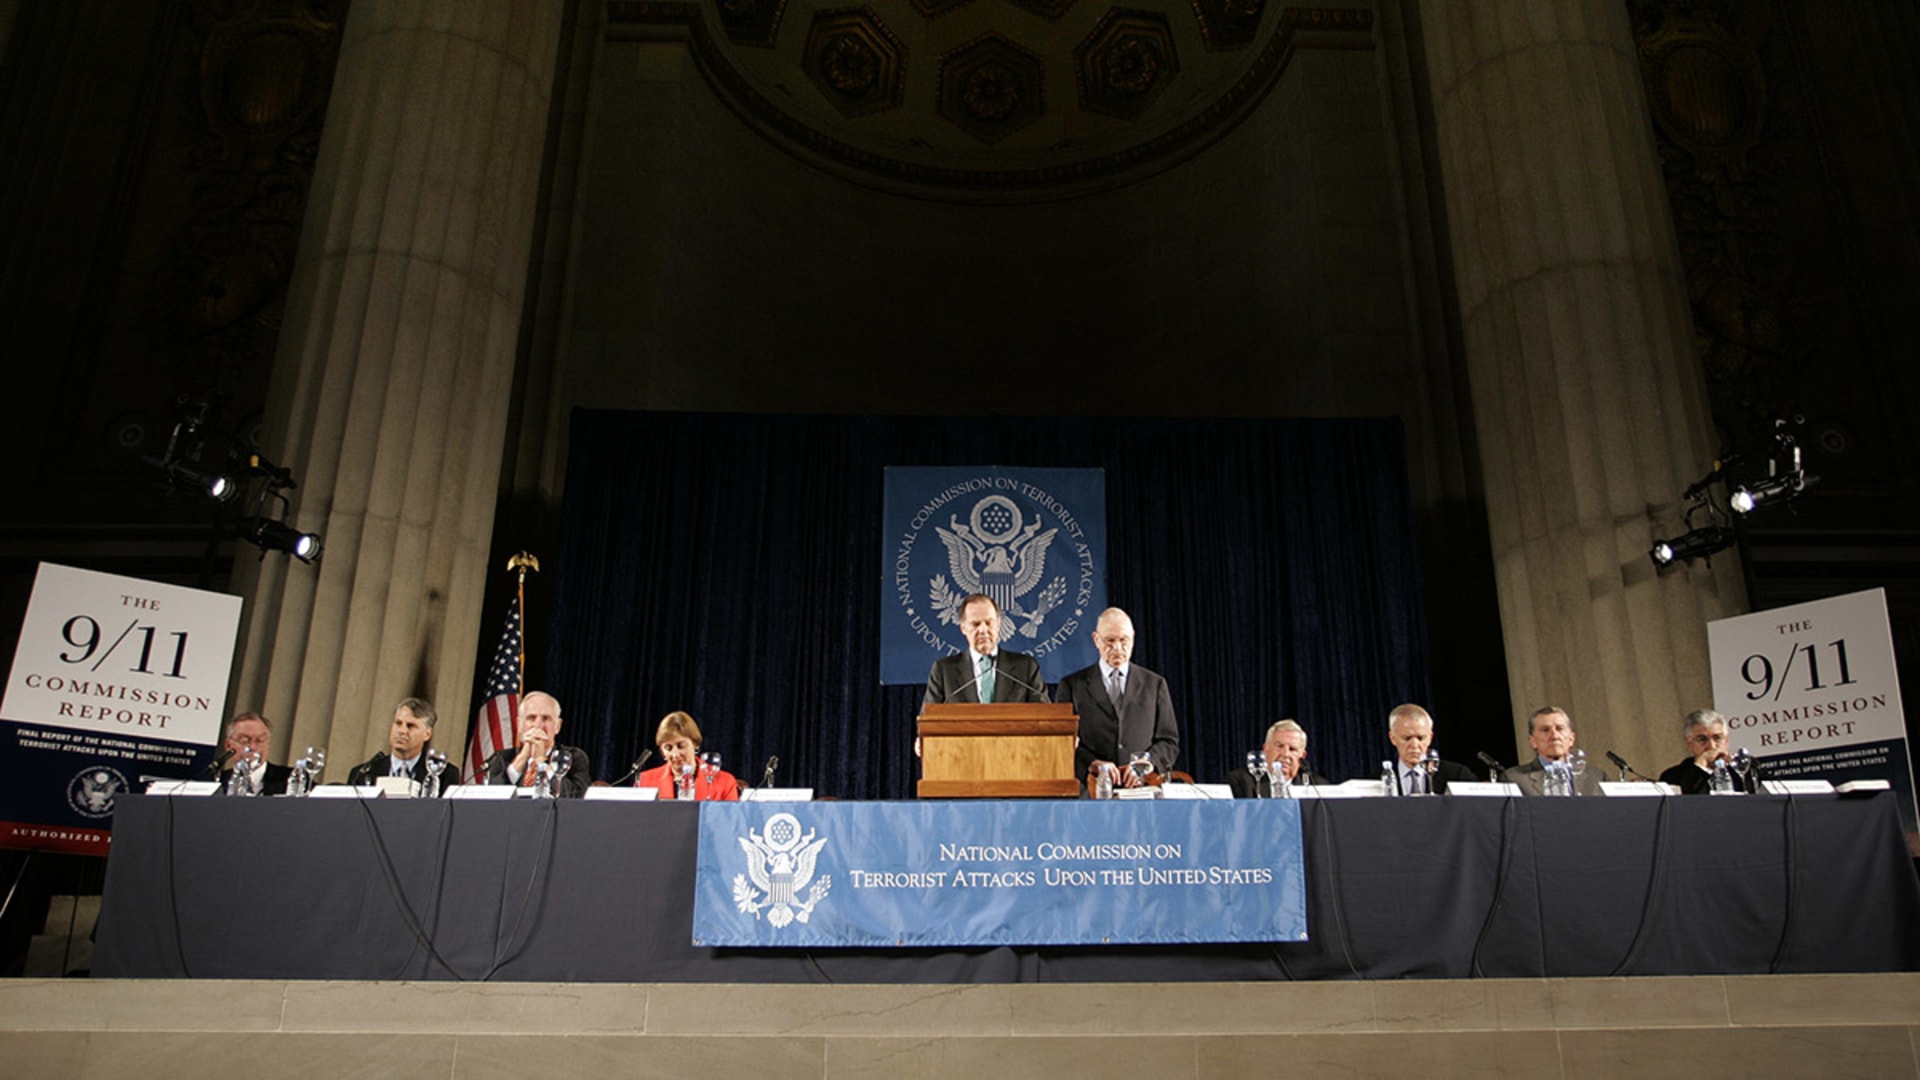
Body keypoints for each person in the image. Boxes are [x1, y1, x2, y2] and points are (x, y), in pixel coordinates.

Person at [1056, 607, 1178, 790]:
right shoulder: (1072, 686)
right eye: (1110, 641)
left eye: (1124, 641)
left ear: (1133, 638)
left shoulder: (1155, 684)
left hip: (1142, 789)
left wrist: (1146, 763)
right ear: (1096, 640)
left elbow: (1168, 742)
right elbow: (1062, 741)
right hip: (1091, 790)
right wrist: (1092, 763)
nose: (1118, 649)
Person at [922, 594, 1050, 706]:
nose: (983, 630)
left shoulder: (1026, 668)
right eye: (975, 624)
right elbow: (928, 720)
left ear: (999, 625)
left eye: (989, 623)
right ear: (963, 628)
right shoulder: (944, 671)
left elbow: (1045, 717)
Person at [483, 691, 592, 797]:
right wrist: (523, 757)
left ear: (557, 726)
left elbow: (576, 796)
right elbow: (491, 797)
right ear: (519, 725)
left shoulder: (573, 758)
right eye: (531, 718)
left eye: (545, 718)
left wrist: (541, 761)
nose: (538, 725)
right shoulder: (501, 758)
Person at [346, 697, 457, 793]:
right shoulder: (363, 773)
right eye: (398, 723)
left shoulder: (444, 775)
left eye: (410, 726)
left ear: (427, 734)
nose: (402, 731)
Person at [635, 710, 740, 800]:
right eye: (668, 748)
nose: (675, 754)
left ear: (695, 744)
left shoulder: (725, 782)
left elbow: (732, 821)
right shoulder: (645, 781)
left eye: (681, 746)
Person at [1506, 705, 1604, 796]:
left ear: (1571, 739)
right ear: (1533, 741)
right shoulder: (1515, 779)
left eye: (1560, 728)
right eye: (1545, 730)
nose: (1554, 736)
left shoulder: (1597, 777)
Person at [1385, 703, 1479, 795]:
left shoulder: (1457, 776)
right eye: (1407, 738)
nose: (1414, 745)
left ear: (1430, 738)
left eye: (1421, 738)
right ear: (1393, 738)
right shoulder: (1376, 780)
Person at [1226, 719, 1326, 797]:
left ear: (1302, 756)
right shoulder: (1241, 783)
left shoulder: (1318, 787)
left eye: (1292, 749)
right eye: (1279, 746)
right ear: (1265, 749)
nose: (1285, 754)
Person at [1658, 708, 1736, 795]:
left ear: (1726, 740)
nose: (1711, 746)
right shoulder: (1673, 776)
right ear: (1689, 744)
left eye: (1717, 738)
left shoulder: (1745, 769)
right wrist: (1700, 767)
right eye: (1702, 739)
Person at [217, 711, 291, 795]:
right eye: (244, 741)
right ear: (228, 746)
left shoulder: (290, 779)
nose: (252, 747)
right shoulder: (216, 782)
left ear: (268, 744)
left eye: (259, 741)